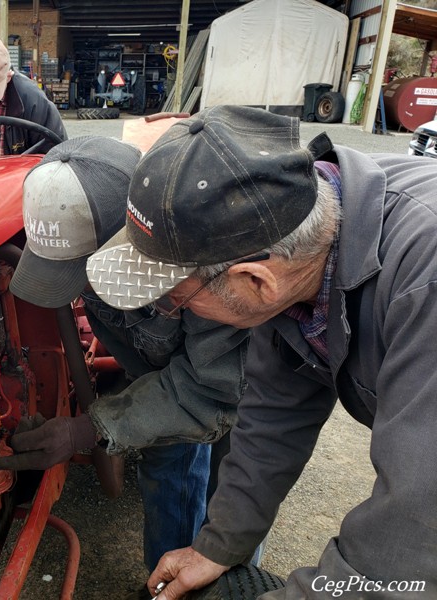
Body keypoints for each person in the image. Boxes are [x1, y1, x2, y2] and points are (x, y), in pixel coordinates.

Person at [87, 105, 437, 598]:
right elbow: (273, 416)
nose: (167, 311)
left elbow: (414, 531)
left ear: (254, 281)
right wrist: (218, 547)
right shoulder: (299, 257)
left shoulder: (423, 282)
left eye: (174, 299)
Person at [0, 135, 251, 573]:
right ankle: (164, 582)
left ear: (132, 241)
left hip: (232, 388)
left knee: (236, 491)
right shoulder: (100, 274)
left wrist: (87, 429)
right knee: (167, 464)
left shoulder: (211, 271)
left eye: (84, 271)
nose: (81, 290)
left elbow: (215, 392)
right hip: (170, 374)